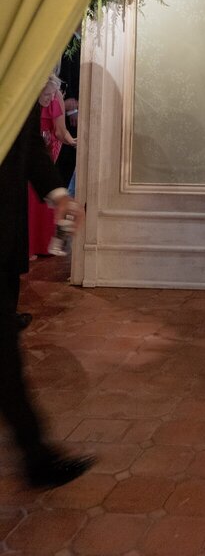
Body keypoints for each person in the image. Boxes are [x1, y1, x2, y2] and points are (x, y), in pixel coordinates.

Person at [0, 101, 93, 486]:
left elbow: (28, 146)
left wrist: (58, 194)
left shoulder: (16, 67)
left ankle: (35, 455)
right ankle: (35, 455)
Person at [29, 76, 76, 258]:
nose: (50, 97)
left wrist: (59, 194)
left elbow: (58, 132)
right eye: (47, 94)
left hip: (44, 152)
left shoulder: (54, 100)